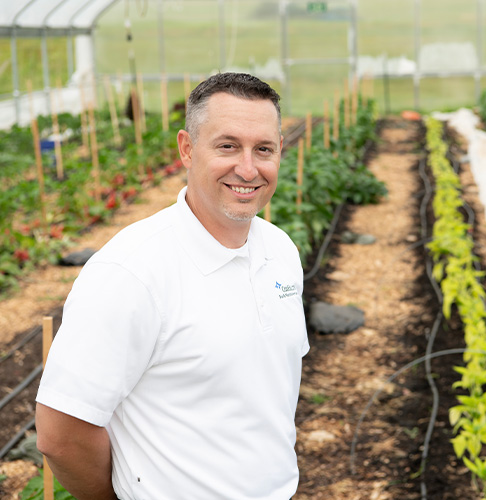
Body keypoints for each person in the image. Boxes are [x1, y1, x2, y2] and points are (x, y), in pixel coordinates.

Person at [35, 72, 309, 500]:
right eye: (227, 146)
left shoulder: (281, 250)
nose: (248, 168)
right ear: (186, 148)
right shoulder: (131, 272)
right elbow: (60, 433)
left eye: (264, 149)